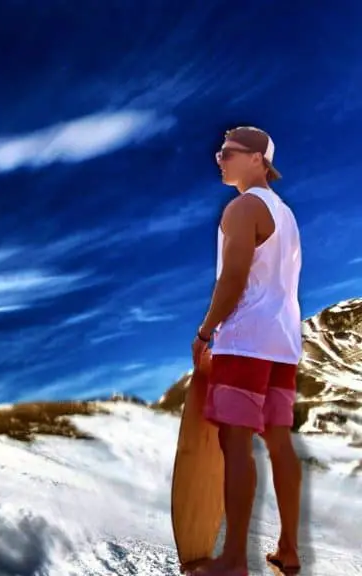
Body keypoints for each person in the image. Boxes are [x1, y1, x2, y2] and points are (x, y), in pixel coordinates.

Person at [191, 126, 302, 576]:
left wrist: (205, 332)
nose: (219, 157)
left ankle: (235, 560)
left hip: (247, 340)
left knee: (235, 440)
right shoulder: (286, 215)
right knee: (279, 442)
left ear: (257, 158)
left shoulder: (242, 207)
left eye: (228, 151)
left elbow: (233, 277)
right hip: (283, 343)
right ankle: (289, 550)